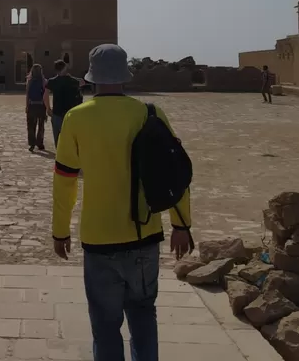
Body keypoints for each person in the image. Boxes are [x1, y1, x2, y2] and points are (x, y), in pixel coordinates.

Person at [53, 43, 193, 361]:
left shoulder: (76, 118)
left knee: (105, 327)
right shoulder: (151, 114)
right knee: (143, 317)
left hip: (99, 239)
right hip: (144, 236)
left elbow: (64, 182)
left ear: (91, 78)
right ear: (124, 75)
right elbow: (175, 174)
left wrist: (60, 231)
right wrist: (182, 224)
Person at [46, 59, 83, 148]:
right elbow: (82, 82)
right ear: (65, 68)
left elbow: (45, 94)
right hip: (71, 114)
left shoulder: (52, 81)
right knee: (70, 138)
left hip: (57, 113)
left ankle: (59, 157)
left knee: (57, 138)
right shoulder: (73, 81)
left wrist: (48, 108)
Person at [25, 63, 49, 151]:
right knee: (41, 125)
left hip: (32, 105)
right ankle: (40, 143)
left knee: (31, 125)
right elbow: (45, 95)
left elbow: (27, 95)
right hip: (41, 105)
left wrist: (27, 106)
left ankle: (32, 143)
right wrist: (47, 107)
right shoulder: (44, 81)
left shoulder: (29, 81)